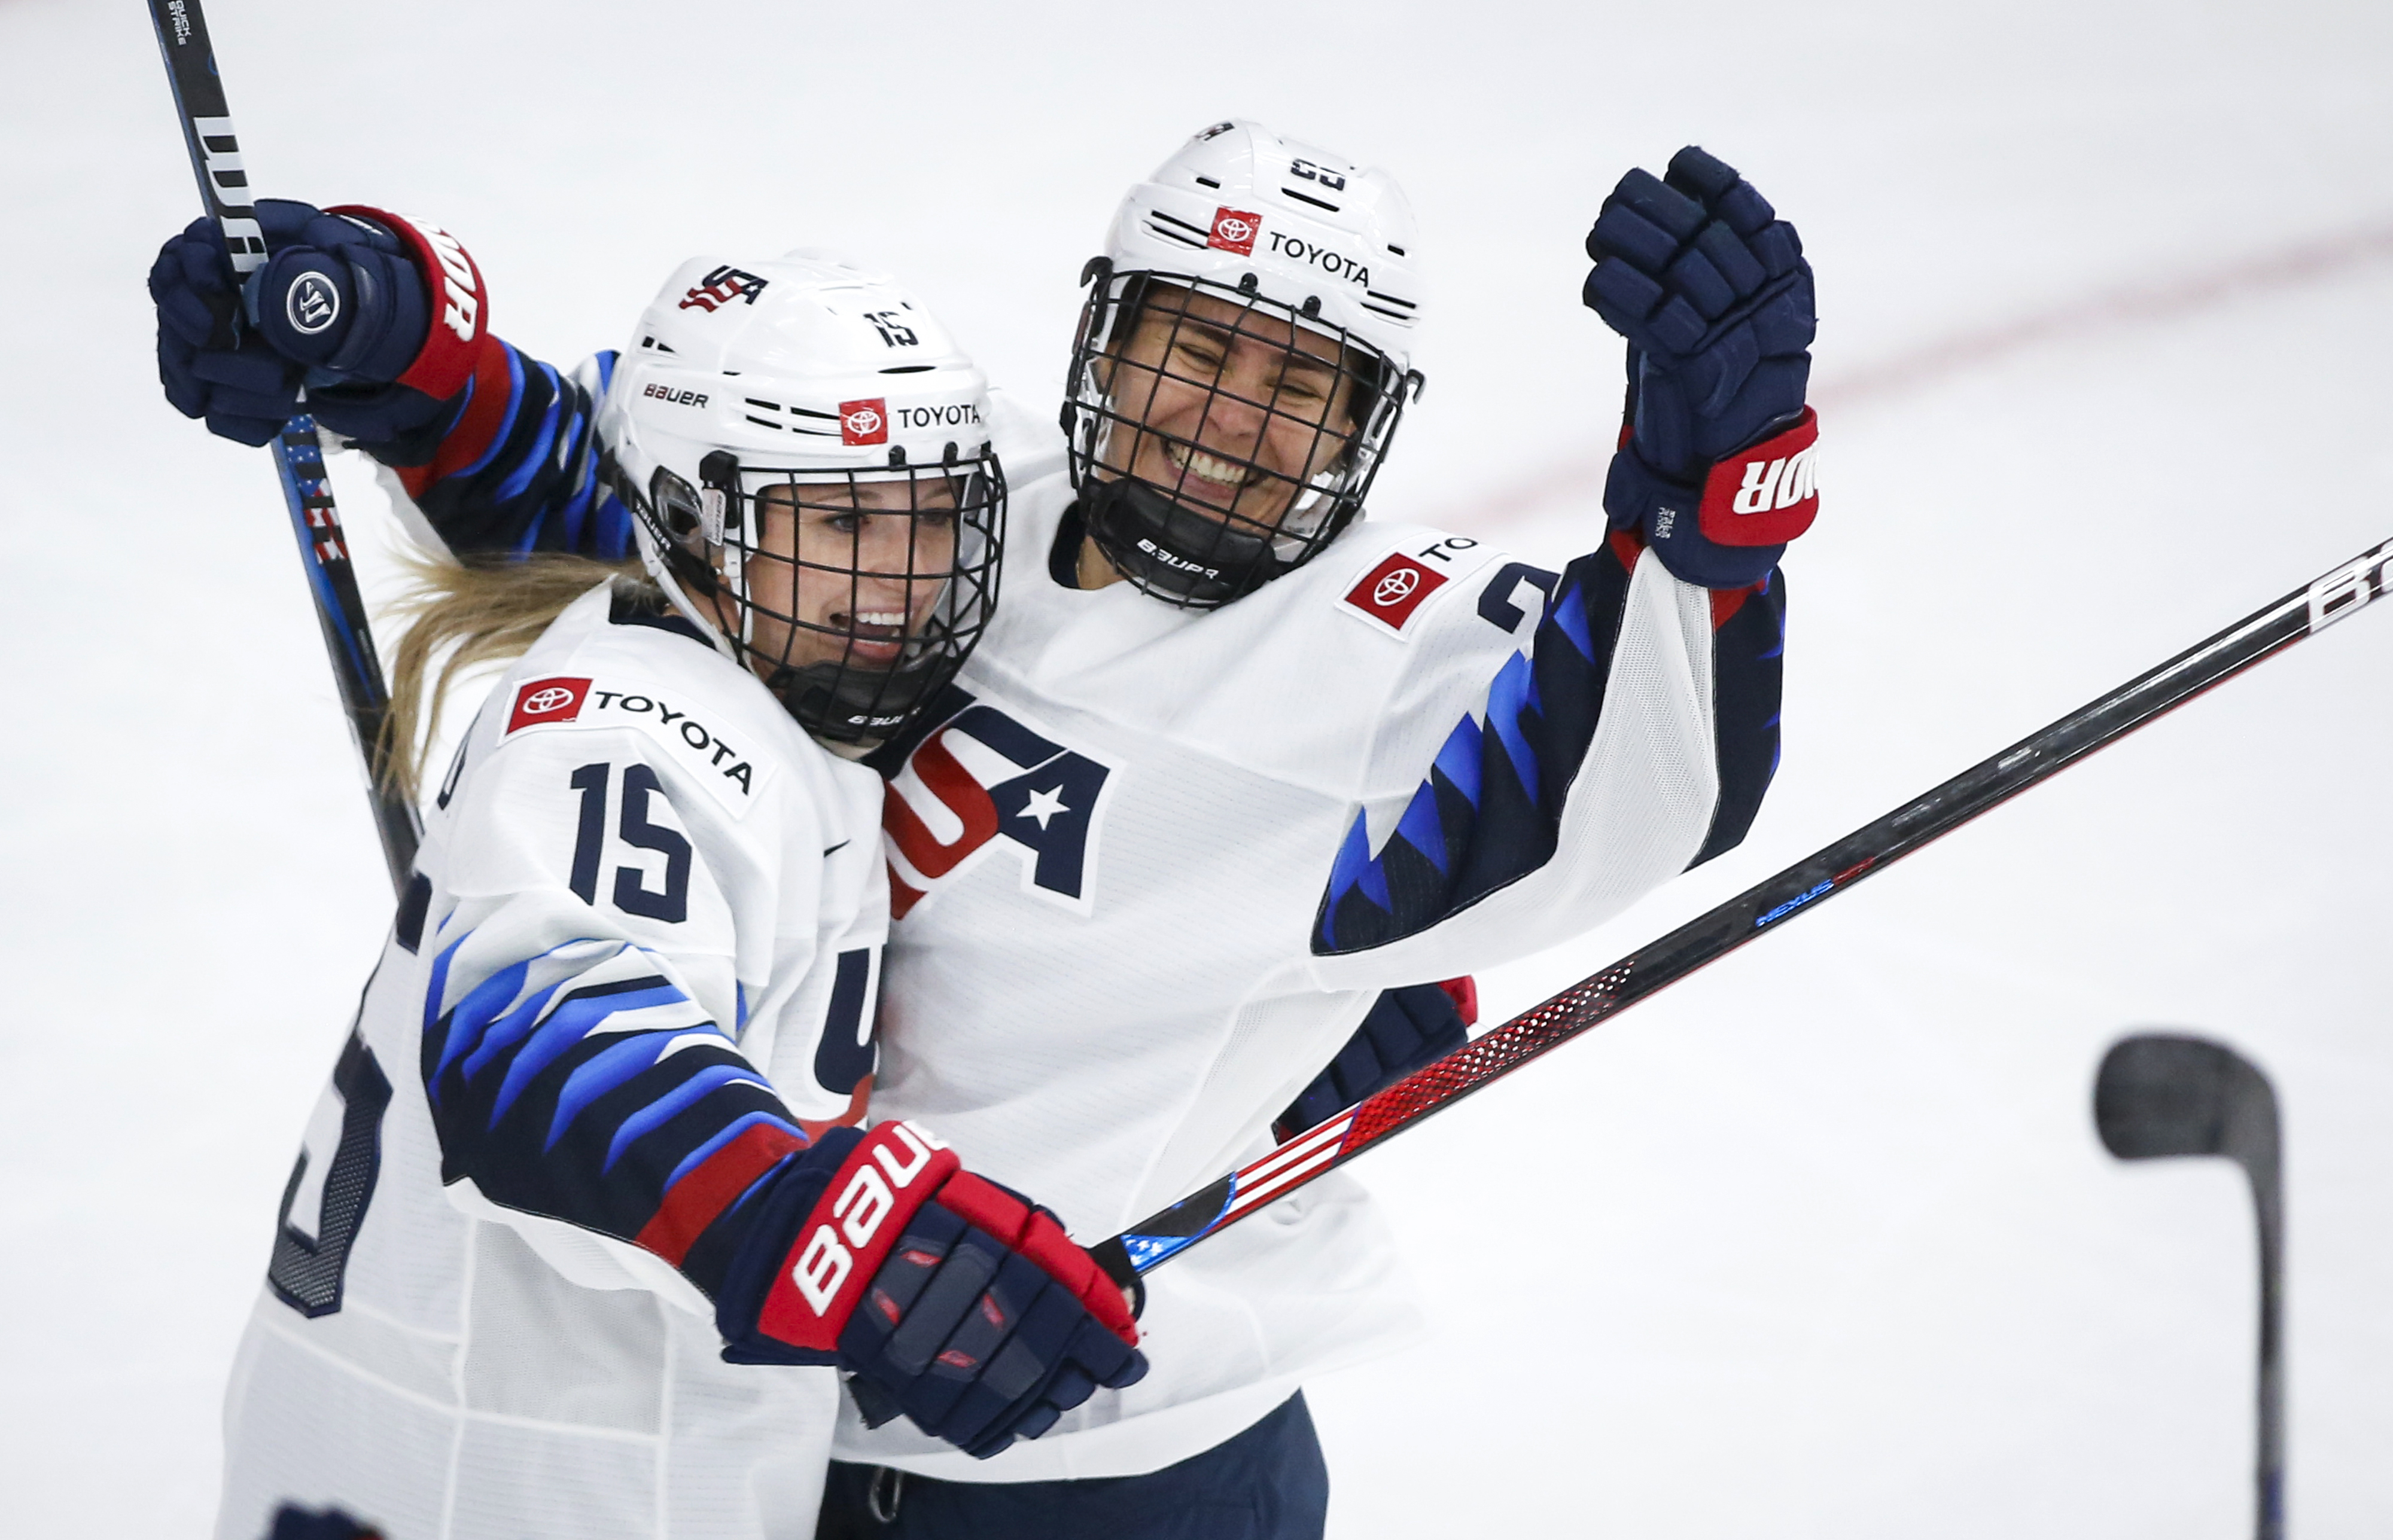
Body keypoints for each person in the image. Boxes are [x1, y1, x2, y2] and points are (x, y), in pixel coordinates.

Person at [152, 124, 1817, 1538]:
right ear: (1103, 333)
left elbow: (1647, 781)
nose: (1235, 413)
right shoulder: (961, 488)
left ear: (1370, 421)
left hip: (1097, 1462)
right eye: (1197, 345)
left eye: (1303, 380)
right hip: (776, 1409)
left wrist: (1705, 521)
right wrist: (396, 354)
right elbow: (660, 504)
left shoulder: (1391, 652)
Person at [155, 239, 1146, 1540]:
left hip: (535, 1451)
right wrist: (829, 1232)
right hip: (474, 1485)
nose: (899, 585)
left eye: (927, 517)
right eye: (844, 522)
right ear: (688, 523)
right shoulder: (631, 728)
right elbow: (541, 1037)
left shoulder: (764, 657)